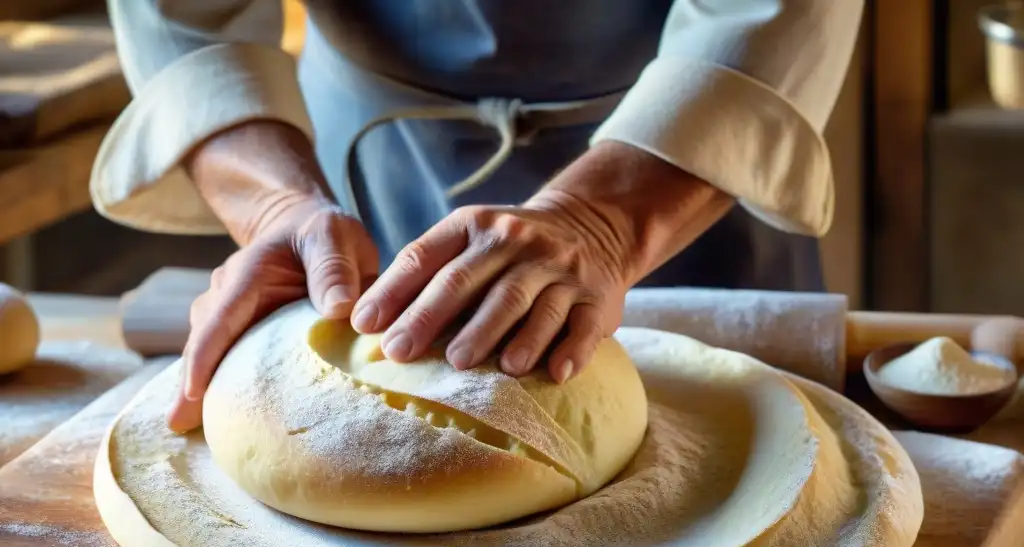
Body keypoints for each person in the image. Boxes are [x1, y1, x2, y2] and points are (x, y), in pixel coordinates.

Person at [94, 1, 863, 432]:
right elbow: (189, 16)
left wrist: (600, 221)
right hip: (366, 153)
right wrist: (276, 202)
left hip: (680, 159)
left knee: (728, 434)